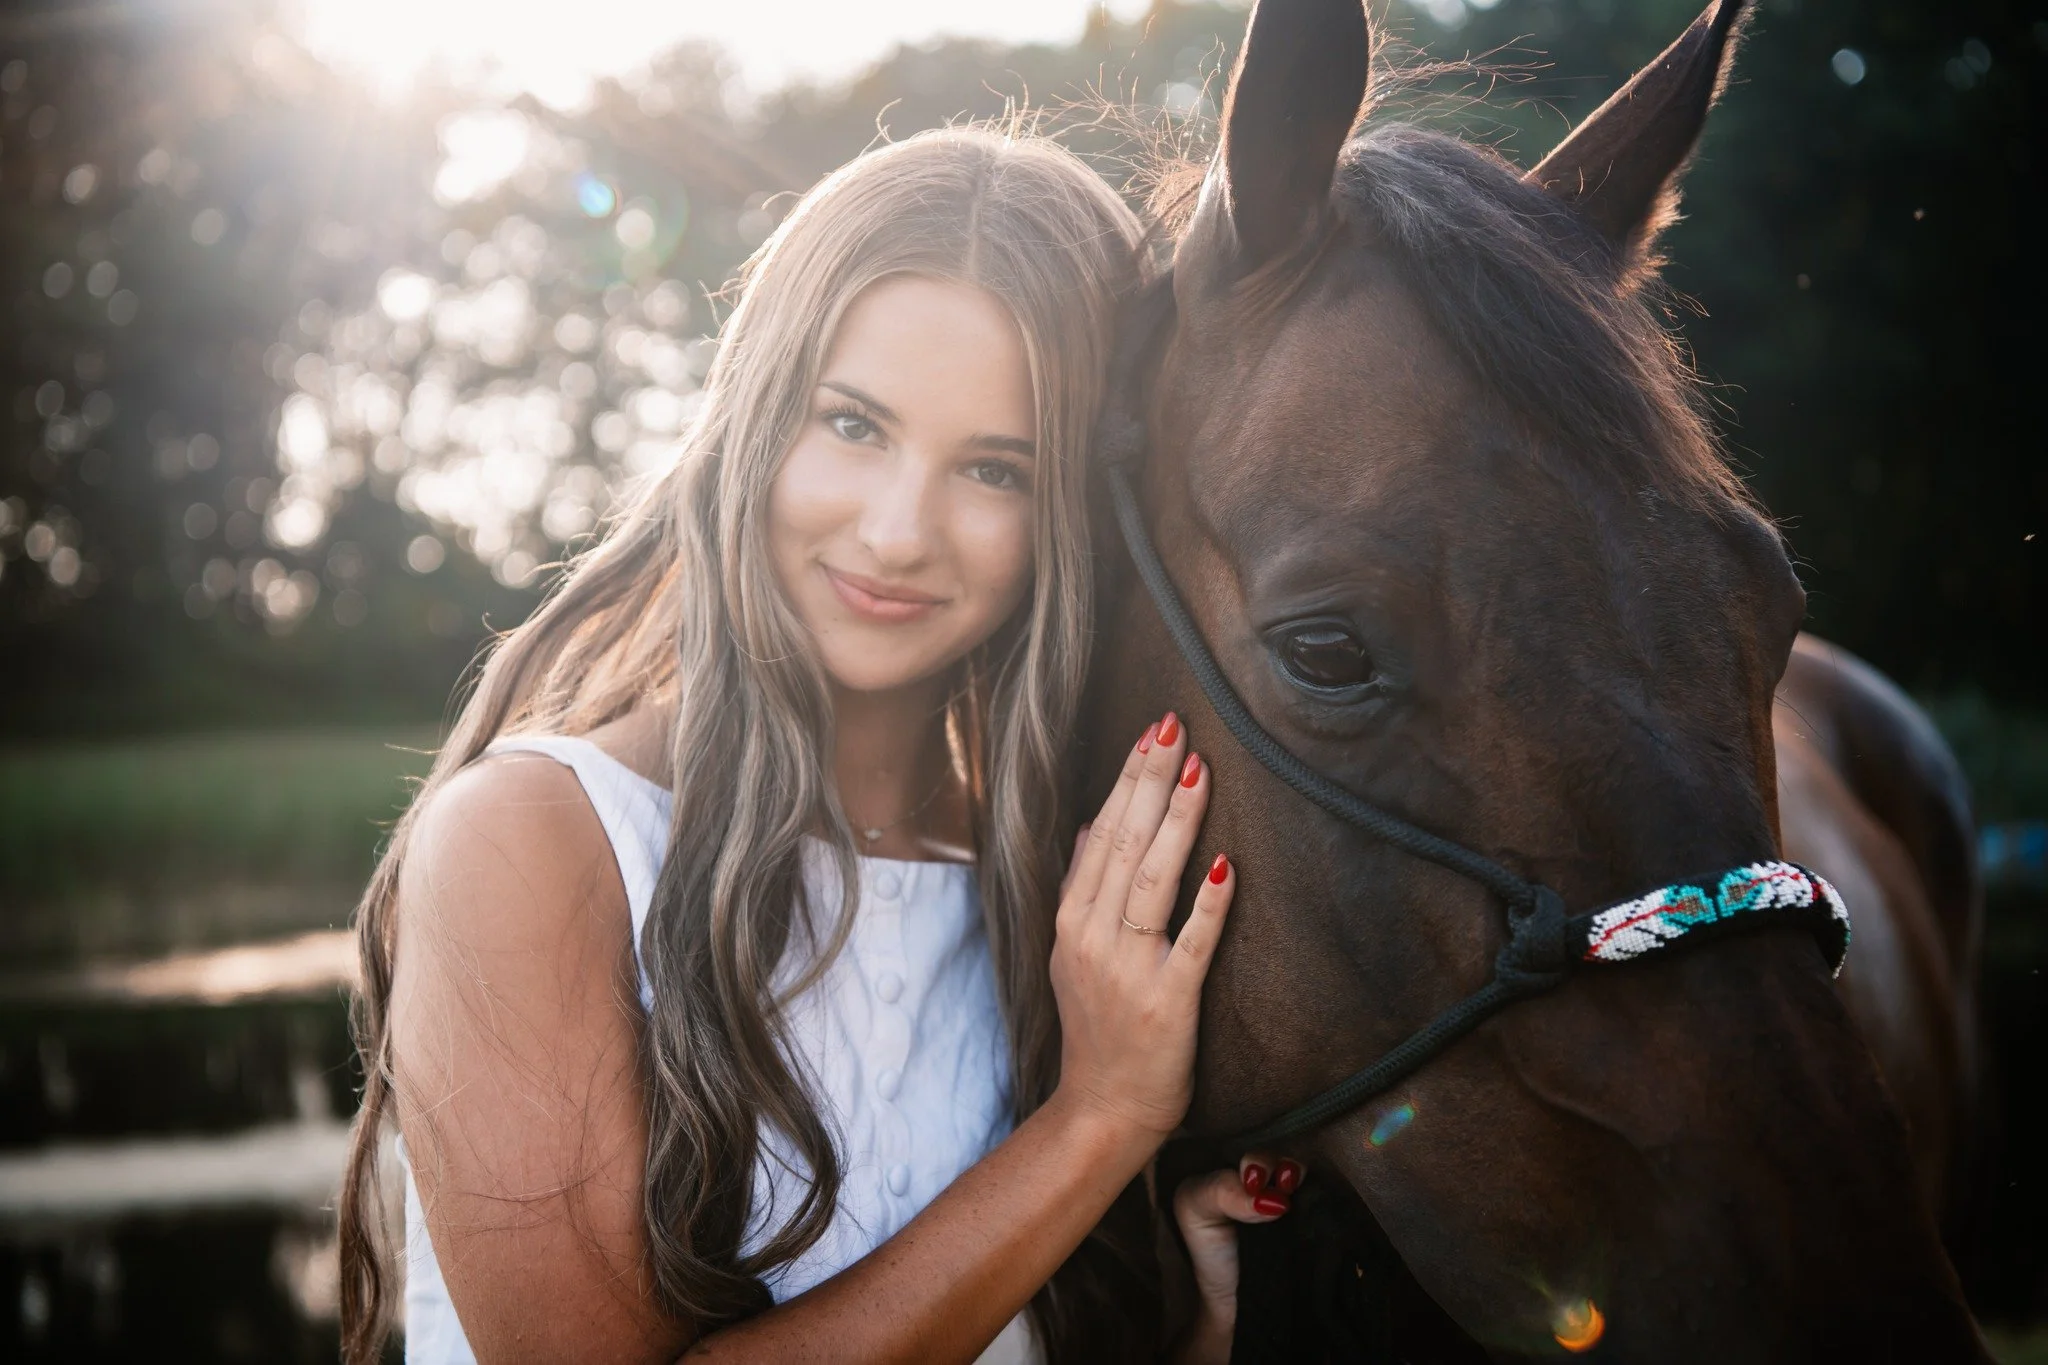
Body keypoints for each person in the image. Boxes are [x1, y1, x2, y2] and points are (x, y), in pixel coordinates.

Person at [336, 127, 1297, 1365]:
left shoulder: (1073, 897)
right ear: (753, 416)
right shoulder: (531, 843)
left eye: (997, 469)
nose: (897, 531)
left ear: (1069, 514)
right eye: (851, 424)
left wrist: (1196, 1335)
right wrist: (1094, 1121)